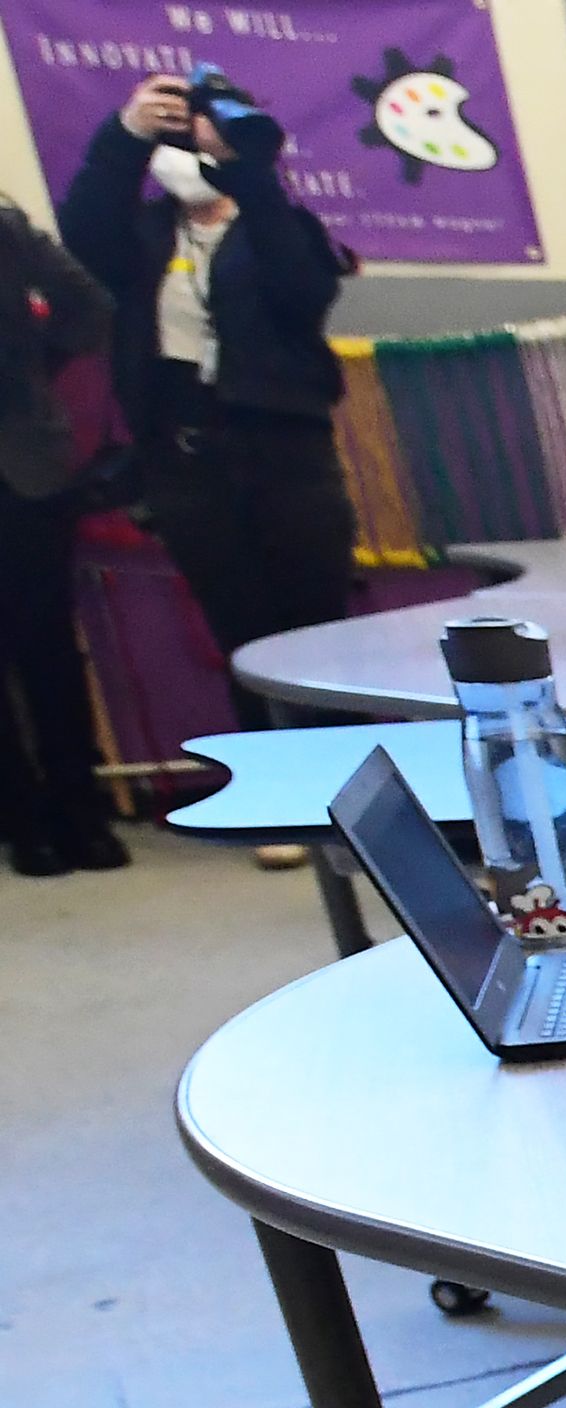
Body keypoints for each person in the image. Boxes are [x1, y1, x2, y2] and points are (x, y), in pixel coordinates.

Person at [63, 71, 356, 683]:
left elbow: (302, 297)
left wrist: (247, 172)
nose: (194, 152)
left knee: (320, 634)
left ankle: (341, 765)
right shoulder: (142, 238)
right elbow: (85, 231)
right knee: (241, 639)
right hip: (185, 459)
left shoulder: (280, 226)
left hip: (287, 454)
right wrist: (127, 136)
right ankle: (265, 770)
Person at [0, 192, 121, 875]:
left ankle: (83, 814)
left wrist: (34, 368)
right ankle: (23, 822)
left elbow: (90, 306)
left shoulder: (7, 226)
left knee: (49, 648)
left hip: (28, 465)